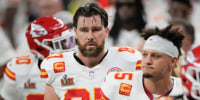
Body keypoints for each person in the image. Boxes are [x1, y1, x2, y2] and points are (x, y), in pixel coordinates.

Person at [40, 3, 142, 100]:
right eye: (84, 30)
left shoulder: (128, 60)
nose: (90, 36)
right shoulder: (56, 67)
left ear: (106, 32)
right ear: (75, 33)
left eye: (96, 29)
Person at [0, 16, 76, 100]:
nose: (69, 48)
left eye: (69, 41)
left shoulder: (80, 65)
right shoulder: (21, 71)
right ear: (40, 47)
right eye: (60, 43)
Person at [101, 25, 184, 100]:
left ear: (173, 61)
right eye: (144, 55)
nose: (147, 61)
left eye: (155, 56)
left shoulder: (185, 90)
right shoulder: (117, 83)